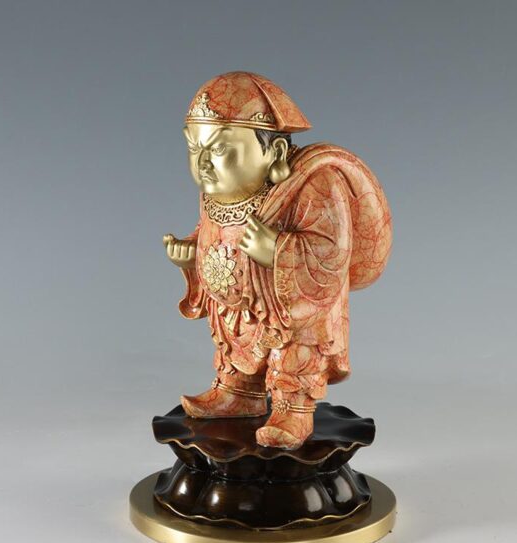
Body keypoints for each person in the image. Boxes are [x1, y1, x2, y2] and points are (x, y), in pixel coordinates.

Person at [163, 71, 391, 449]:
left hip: (291, 305)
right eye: (194, 148)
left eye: (219, 150)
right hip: (239, 300)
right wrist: (193, 250)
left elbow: (331, 251)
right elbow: (214, 232)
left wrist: (277, 249)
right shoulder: (217, 192)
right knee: (234, 337)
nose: (203, 163)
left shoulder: (315, 184)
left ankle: (293, 407)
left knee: (295, 346)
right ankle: (238, 392)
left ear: (276, 152)